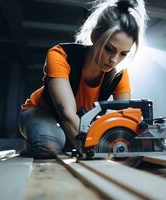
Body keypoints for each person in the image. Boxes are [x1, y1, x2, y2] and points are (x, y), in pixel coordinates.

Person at [18, 0, 147, 158]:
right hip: (39, 112)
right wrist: (96, 151)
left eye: (123, 54)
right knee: (49, 145)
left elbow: (125, 117)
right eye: (109, 49)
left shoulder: (119, 73)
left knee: (76, 143)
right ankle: (36, 141)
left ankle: (62, 141)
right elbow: (66, 113)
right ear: (94, 36)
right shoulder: (60, 55)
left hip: (76, 122)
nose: (114, 60)